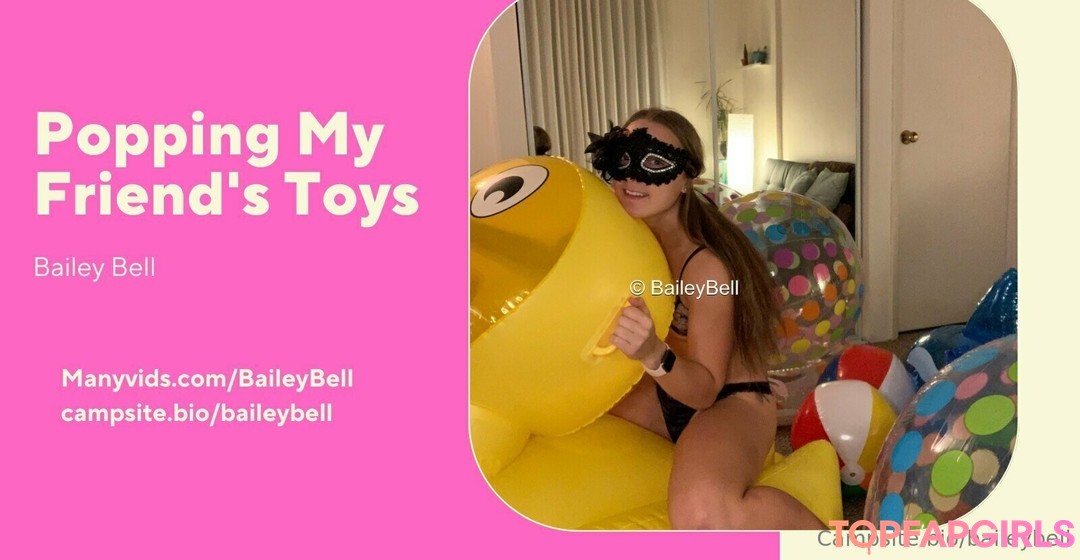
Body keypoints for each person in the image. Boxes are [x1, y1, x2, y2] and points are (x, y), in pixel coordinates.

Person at [586, 108, 823, 530]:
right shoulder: (621, 238)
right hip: (658, 393)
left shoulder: (707, 269)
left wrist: (651, 352)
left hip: (726, 398)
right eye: (622, 158)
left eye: (653, 162)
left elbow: (704, 392)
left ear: (685, 179)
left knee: (703, 516)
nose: (633, 176)